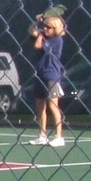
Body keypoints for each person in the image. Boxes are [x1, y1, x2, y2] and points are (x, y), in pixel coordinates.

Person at [28, 12, 67, 147]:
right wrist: (37, 22)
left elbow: (38, 46)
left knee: (52, 106)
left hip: (52, 76)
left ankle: (59, 136)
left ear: (55, 28)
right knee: (40, 107)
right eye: (45, 26)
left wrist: (39, 35)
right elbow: (31, 30)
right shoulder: (43, 35)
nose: (45, 29)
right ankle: (42, 135)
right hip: (40, 75)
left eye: (48, 27)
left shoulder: (57, 41)